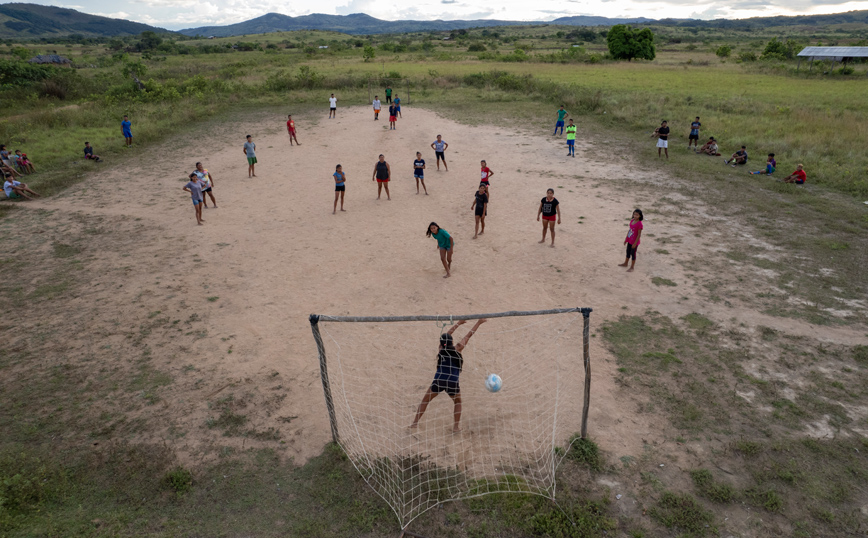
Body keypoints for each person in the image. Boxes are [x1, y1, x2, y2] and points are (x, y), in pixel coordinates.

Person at [410, 318, 487, 432]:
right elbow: (469, 335)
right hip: (452, 382)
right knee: (458, 402)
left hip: (439, 380)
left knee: (425, 400)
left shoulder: (441, 349)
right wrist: (478, 323)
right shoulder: (458, 348)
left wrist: (458, 324)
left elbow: (446, 335)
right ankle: (456, 427)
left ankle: (415, 423)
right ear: (451, 342)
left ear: (442, 343)